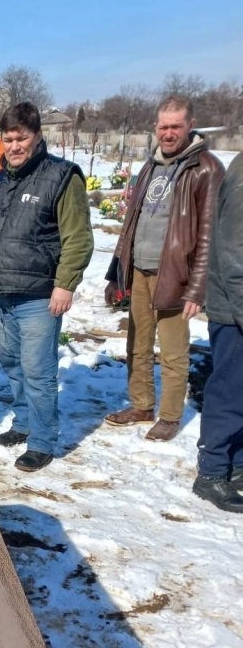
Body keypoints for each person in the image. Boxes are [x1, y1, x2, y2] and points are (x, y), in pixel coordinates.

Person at [0, 102, 93, 472]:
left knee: (38, 370)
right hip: (1, 294)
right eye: (8, 138)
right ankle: (23, 423)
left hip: (39, 296)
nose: (14, 145)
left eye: (21, 137)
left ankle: (42, 439)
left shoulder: (61, 176)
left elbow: (78, 238)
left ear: (37, 136)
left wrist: (65, 284)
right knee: (13, 365)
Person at [104, 96, 225, 442]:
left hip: (175, 274)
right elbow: (132, 222)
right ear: (156, 127)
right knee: (137, 343)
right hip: (139, 269)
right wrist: (117, 270)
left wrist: (197, 287)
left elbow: (208, 234)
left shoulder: (206, 168)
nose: (168, 133)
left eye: (175, 126)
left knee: (173, 350)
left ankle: (170, 415)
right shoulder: (150, 166)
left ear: (190, 125)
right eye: (163, 126)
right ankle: (141, 404)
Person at [193, 152, 243, 512]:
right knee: (229, 389)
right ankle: (211, 473)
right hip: (234, 308)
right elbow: (234, 255)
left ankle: (236, 466)